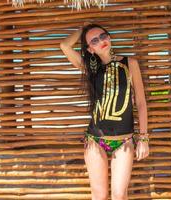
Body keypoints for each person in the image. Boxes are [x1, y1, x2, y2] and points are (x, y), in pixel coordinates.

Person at [60, 23, 149, 200]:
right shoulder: (90, 69)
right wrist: (82, 29)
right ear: (90, 49)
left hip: (124, 140)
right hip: (95, 140)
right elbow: (64, 46)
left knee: (119, 195)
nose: (101, 41)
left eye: (103, 36)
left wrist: (144, 138)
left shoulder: (130, 64)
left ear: (109, 37)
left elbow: (140, 102)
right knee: (99, 196)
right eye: (94, 40)